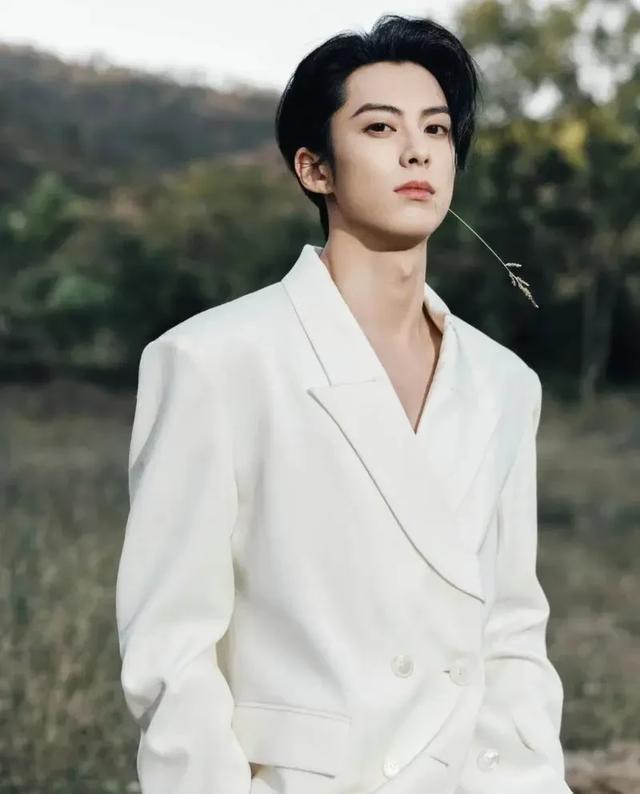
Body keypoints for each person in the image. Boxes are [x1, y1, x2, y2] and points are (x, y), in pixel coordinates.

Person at [115, 13, 573, 794]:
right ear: (315, 168)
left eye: (436, 128)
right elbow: (172, 649)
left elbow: (510, 636)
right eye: (380, 127)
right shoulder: (214, 361)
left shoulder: (504, 383)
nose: (417, 150)